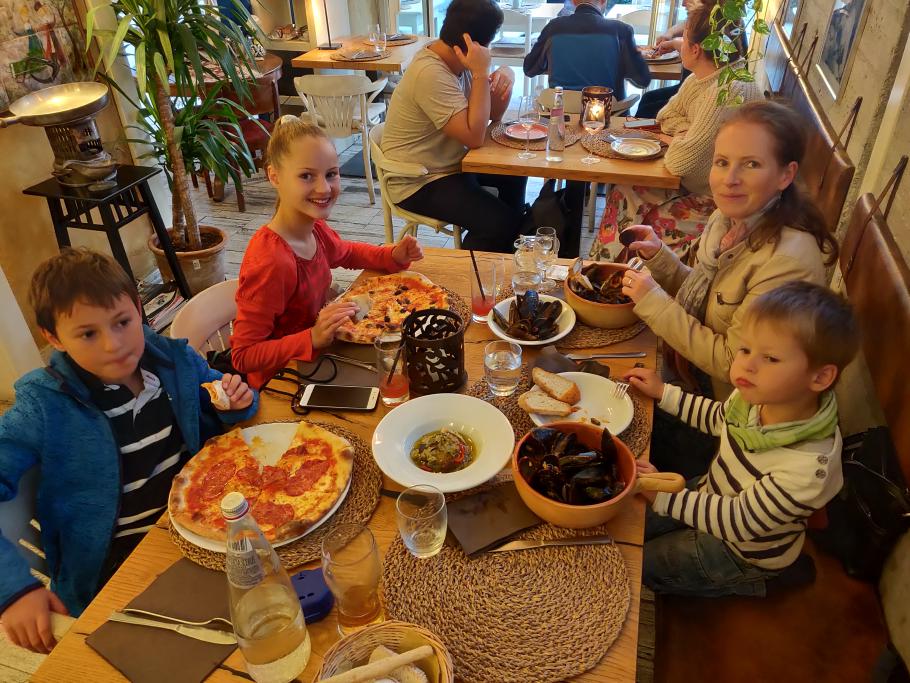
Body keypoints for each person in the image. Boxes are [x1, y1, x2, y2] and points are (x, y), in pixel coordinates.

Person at [0, 249, 259, 652]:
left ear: (139, 309)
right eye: (88, 334)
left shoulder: (173, 360)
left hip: (203, 526)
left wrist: (236, 402)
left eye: (122, 322)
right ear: (53, 338)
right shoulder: (43, 406)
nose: (114, 344)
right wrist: (14, 590)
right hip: (116, 569)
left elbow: (222, 397)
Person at [619, 100, 839, 477]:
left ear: (785, 175)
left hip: (726, 416)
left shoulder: (786, 262)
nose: (729, 179)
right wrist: (659, 257)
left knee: (609, 417)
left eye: (750, 164)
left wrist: (652, 301)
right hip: (690, 375)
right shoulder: (730, 219)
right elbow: (707, 300)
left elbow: (731, 362)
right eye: (722, 162)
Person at [626, 281, 860, 597]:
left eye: (770, 358)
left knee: (642, 565)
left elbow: (737, 521)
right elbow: (718, 418)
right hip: (713, 491)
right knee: (633, 522)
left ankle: (762, 579)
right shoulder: (757, 396)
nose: (747, 365)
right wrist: (663, 392)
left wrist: (663, 498)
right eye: (745, 349)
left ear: (820, 377)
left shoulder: (807, 467)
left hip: (740, 548)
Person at [231, 117, 423, 389]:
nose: (324, 188)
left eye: (331, 174)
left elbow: (347, 252)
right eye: (306, 176)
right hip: (283, 381)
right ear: (274, 176)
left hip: (323, 354)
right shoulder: (272, 261)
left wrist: (392, 256)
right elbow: (244, 356)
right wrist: (311, 338)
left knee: (407, 362)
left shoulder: (315, 229)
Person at [591, 3, 760, 261]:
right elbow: (665, 117)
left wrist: (684, 140)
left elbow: (681, 162)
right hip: (696, 186)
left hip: (721, 201)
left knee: (638, 217)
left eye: (685, 39)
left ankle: (615, 270)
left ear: (695, 49)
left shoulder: (728, 90)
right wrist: (686, 132)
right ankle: (604, 269)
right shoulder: (701, 78)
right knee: (623, 190)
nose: (680, 44)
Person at [381, 0, 526, 253]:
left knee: (515, 175)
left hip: (451, 165)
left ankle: (508, 245)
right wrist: (481, 74)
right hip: (418, 179)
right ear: (478, 44)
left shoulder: (461, 60)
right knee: (499, 224)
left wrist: (506, 75)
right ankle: (473, 268)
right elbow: (474, 137)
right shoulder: (431, 72)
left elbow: (493, 114)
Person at [522, 0, 651, 99]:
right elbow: (642, 79)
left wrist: (556, 60)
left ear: (573, 1)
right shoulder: (621, 31)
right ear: (603, 0)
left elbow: (530, 68)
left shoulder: (553, 28)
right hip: (608, 115)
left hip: (561, 113)